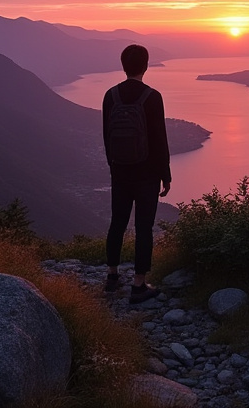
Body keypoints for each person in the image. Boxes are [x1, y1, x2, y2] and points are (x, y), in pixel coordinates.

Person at [103, 43, 171, 303]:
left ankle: (111, 276)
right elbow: (159, 139)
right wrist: (165, 174)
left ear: (123, 65)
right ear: (146, 65)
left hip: (120, 170)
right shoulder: (152, 97)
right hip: (147, 173)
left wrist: (113, 165)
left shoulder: (111, 96)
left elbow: (106, 134)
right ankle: (139, 285)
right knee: (144, 227)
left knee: (117, 222)